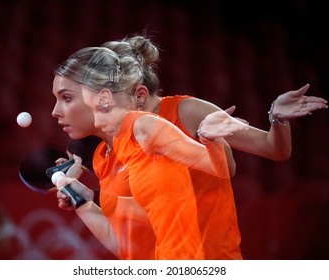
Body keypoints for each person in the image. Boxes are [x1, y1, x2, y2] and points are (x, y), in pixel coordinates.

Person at [51, 36, 327, 259]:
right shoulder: (106, 155)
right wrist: (85, 200)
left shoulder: (185, 111)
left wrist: (273, 119)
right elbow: (130, 234)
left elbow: (267, 151)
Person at [53, 46, 240, 260]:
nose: (56, 111)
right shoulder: (115, 149)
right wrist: (84, 202)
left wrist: (209, 138)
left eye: (68, 97)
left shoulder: (143, 125)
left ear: (103, 97)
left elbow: (219, 167)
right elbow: (126, 242)